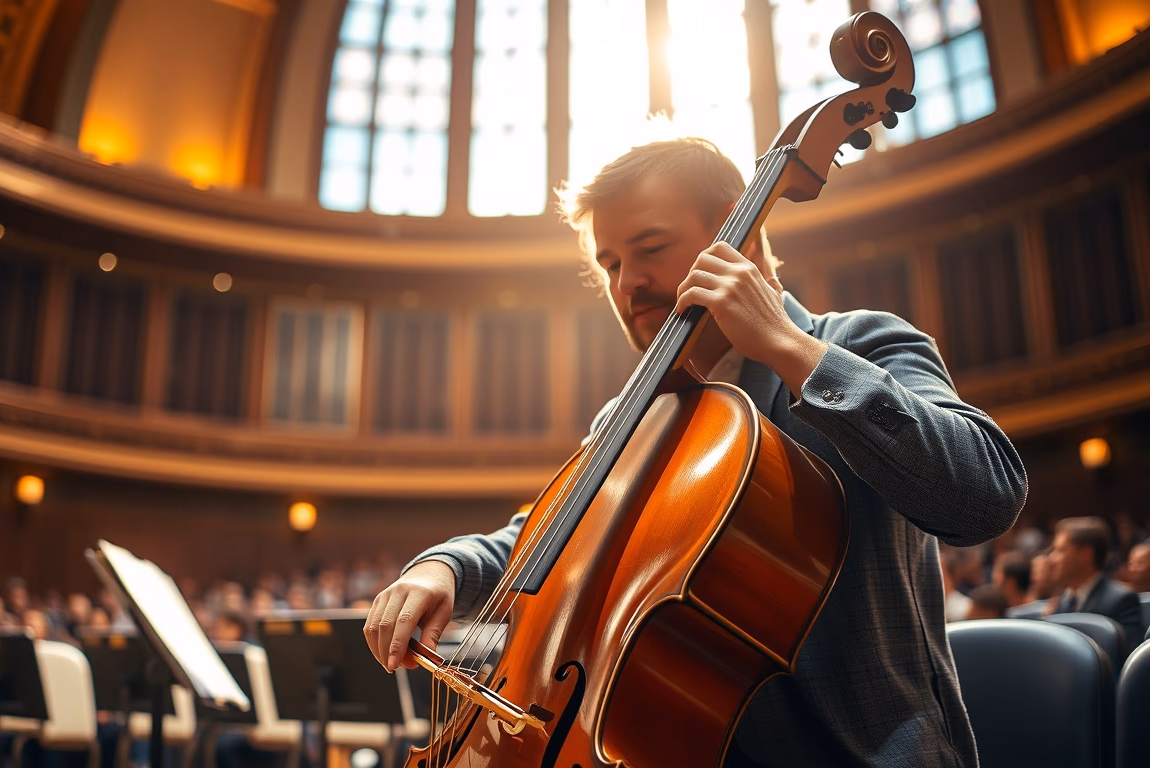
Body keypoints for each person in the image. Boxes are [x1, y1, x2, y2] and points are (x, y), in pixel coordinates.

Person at [364, 138, 1028, 768]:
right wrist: (443, 567)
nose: (627, 285)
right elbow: (543, 535)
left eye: (649, 249)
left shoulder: (858, 344)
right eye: (610, 264)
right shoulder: (637, 417)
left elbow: (986, 493)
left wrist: (790, 352)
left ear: (741, 236)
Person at [1049, 516, 1144, 645]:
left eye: (1060, 550)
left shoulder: (1122, 600)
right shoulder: (1062, 602)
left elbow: (1127, 660)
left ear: (1085, 555)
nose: (1051, 559)